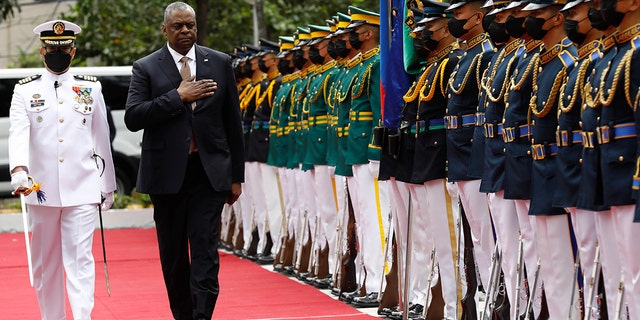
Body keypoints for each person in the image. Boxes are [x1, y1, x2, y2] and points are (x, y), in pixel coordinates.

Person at [124, 2, 244, 320]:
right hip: (167, 177)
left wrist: (237, 176)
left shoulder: (218, 62)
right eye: (178, 26)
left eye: (190, 25)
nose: (186, 31)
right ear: (165, 29)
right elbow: (134, 117)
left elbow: (233, 123)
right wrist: (178, 97)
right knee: (174, 256)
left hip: (209, 173)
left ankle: (202, 316)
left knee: (205, 249)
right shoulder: (146, 67)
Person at [8, 19, 116, 320]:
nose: (59, 53)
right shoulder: (25, 91)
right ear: (42, 52)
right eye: (53, 49)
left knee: (80, 261)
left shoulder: (91, 88)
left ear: (73, 51)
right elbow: (18, 132)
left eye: (64, 48)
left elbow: (101, 138)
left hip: (82, 188)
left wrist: (107, 185)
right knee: (45, 264)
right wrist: (19, 169)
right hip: (39, 190)